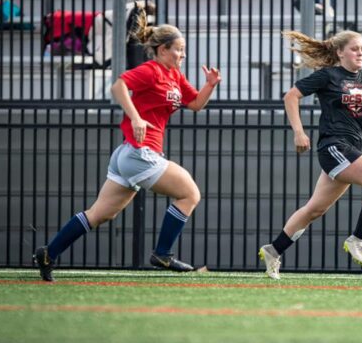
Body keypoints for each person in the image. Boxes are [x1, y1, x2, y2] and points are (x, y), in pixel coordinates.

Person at [33, 17, 222, 282]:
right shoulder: (151, 70)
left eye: (184, 49)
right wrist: (135, 117)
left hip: (129, 155)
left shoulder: (175, 76)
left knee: (100, 214)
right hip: (139, 152)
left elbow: (196, 104)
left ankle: (48, 253)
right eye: (178, 49)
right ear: (162, 49)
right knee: (190, 194)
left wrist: (210, 84)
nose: (182, 54)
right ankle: (162, 254)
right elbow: (118, 85)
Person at [259, 30, 362, 280]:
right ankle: (356, 239)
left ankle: (273, 250)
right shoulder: (328, 75)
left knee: (314, 210)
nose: (360, 53)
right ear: (340, 52)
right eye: (354, 48)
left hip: (351, 147)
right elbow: (291, 96)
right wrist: (299, 132)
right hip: (334, 146)